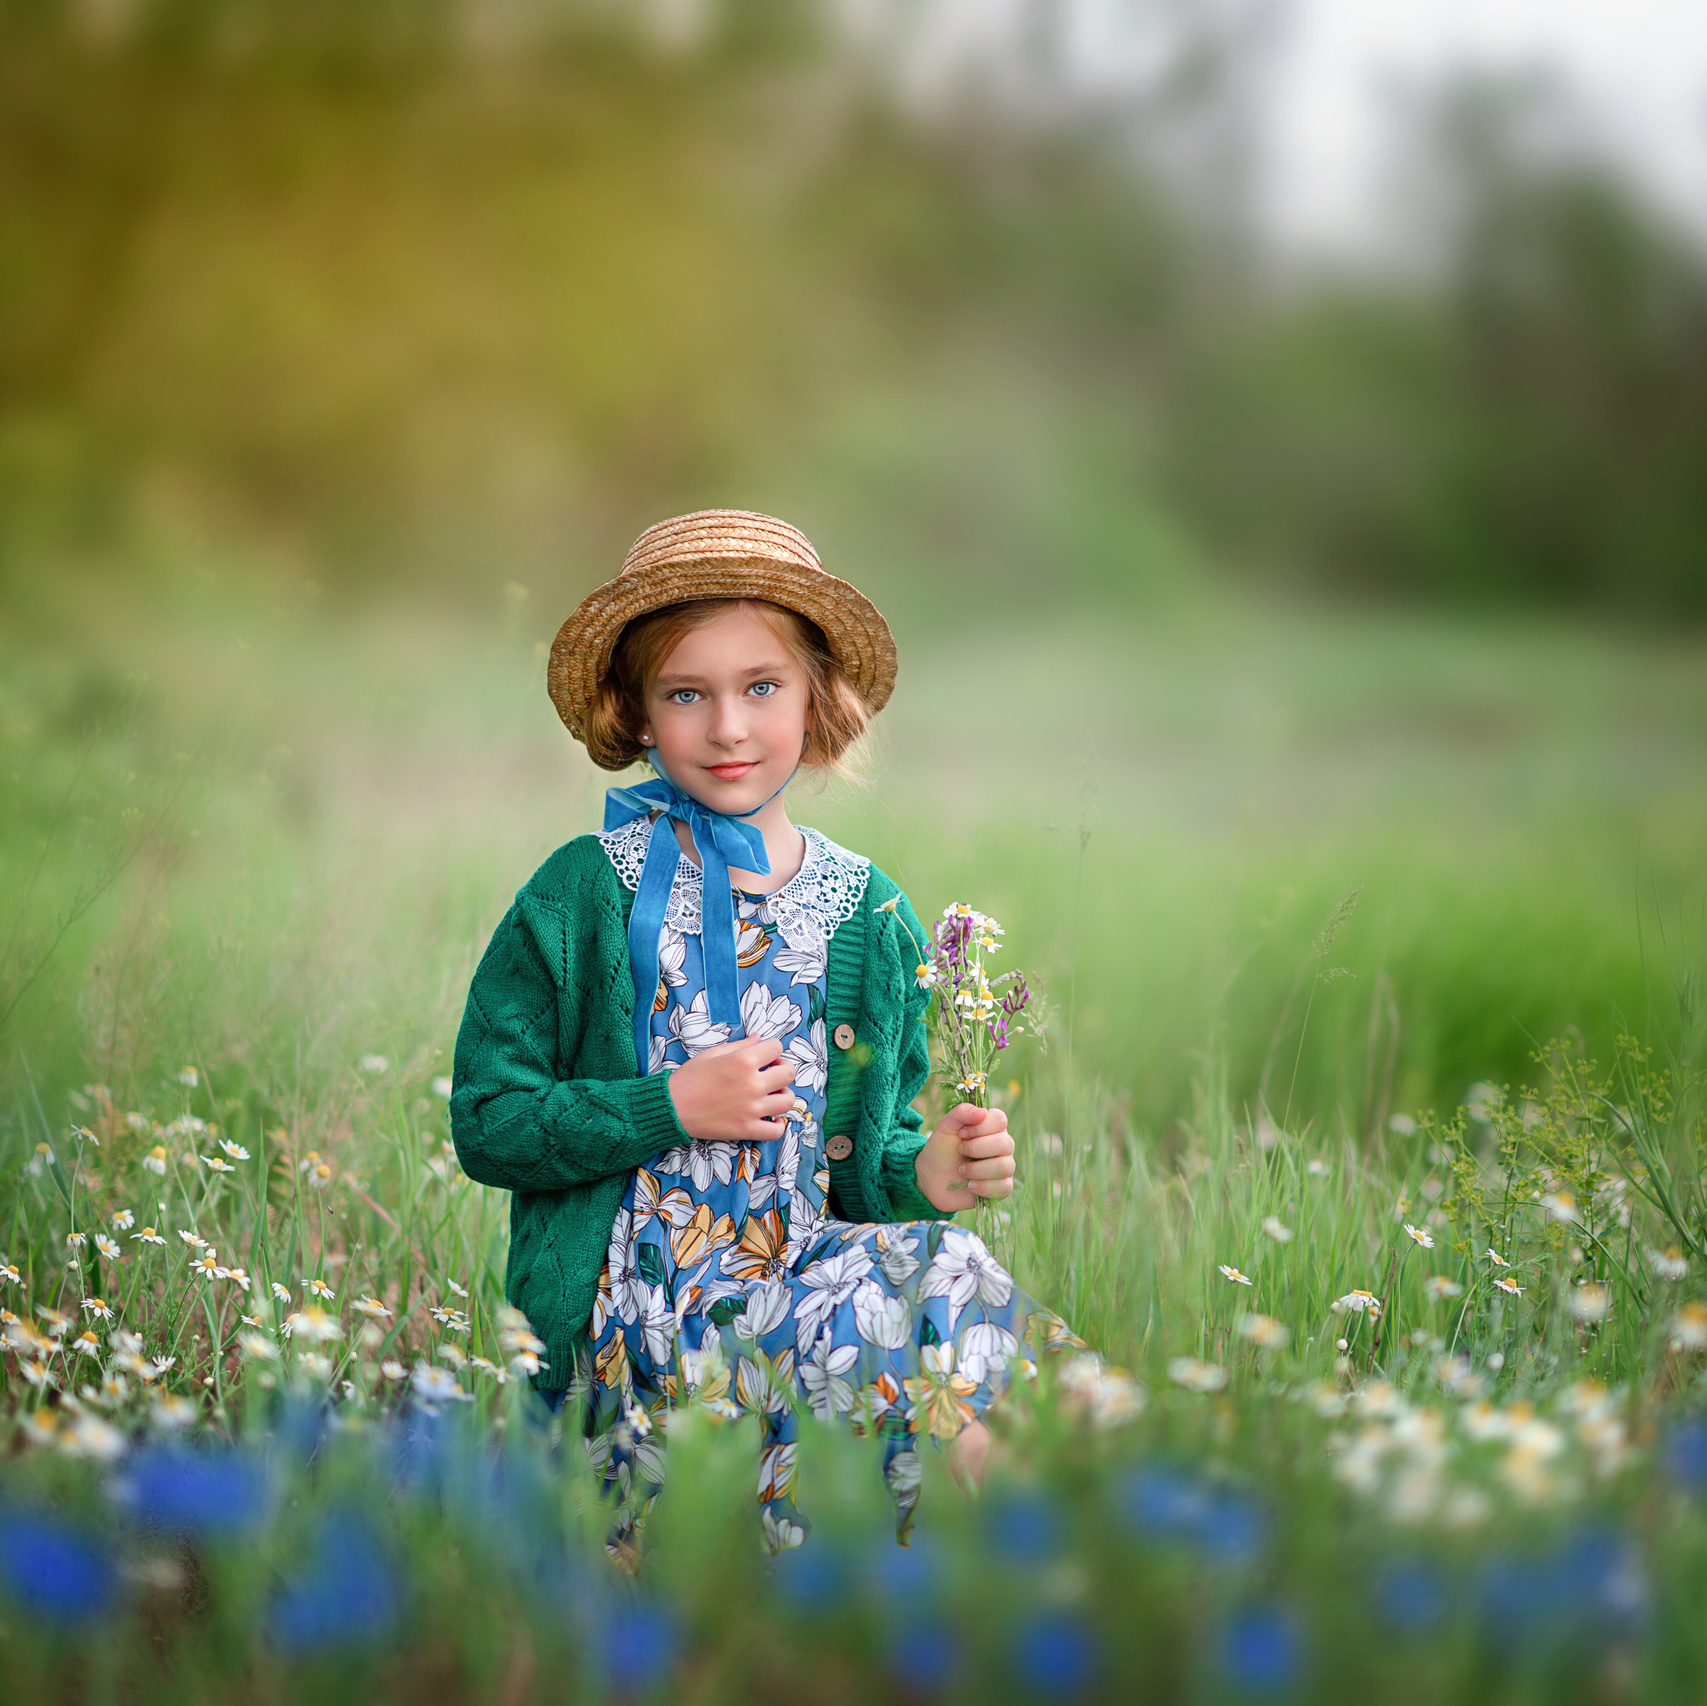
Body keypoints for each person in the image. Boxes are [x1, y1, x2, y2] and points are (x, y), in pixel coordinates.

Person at [451, 510, 1078, 1556]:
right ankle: (1122, 1551)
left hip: (805, 1277)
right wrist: (669, 1104)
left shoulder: (867, 915)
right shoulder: (585, 893)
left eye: (762, 687)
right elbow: (489, 1121)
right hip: (645, 1324)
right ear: (638, 713)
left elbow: (863, 1164)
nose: (728, 726)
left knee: (943, 1269)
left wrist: (925, 1172)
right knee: (919, 1301)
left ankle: (1081, 1546)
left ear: (816, 701)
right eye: (687, 692)